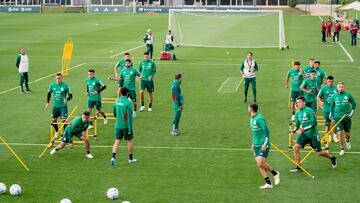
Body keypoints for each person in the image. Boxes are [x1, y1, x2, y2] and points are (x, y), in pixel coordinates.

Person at [290, 96, 337, 173]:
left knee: (319, 153)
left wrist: (303, 129)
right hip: (305, 135)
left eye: (299, 102)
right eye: (297, 102)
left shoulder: (309, 111)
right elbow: (297, 125)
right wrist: (294, 129)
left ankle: (332, 157)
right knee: (295, 148)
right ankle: (298, 167)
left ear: (304, 103)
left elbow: (314, 123)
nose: (298, 104)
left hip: (313, 135)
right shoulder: (298, 113)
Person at [248, 103, 280, 189]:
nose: (248, 109)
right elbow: (254, 133)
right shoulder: (251, 118)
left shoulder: (259, 119)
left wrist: (265, 144)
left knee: (260, 162)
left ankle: (275, 173)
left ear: (251, 109)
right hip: (256, 145)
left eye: (248, 107)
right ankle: (268, 183)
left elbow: (267, 131)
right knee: (259, 165)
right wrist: (252, 143)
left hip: (263, 144)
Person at [111, 87, 137, 165]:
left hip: (118, 125)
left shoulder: (116, 101)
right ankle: (130, 159)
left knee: (117, 141)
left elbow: (114, 113)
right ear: (127, 93)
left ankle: (113, 157)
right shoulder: (128, 103)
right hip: (126, 126)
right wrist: (129, 129)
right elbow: (129, 117)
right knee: (129, 141)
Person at [330, 82, 356, 156]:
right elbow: (332, 106)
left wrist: (350, 114)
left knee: (347, 133)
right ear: (337, 88)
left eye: (342, 87)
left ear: (343, 88)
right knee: (340, 133)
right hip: (338, 117)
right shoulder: (334, 96)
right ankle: (342, 148)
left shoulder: (348, 95)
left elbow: (354, 104)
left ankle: (347, 141)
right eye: (339, 87)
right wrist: (331, 114)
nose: (341, 88)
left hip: (346, 117)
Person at [317, 76, 338, 142]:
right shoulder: (323, 88)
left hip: (334, 108)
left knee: (334, 122)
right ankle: (328, 136)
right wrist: (320, 102)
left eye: (331, 81)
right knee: (327, 123)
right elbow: (318, 97)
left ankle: (335, 136)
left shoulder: (336, 88)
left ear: (333, 81)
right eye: (329, 81)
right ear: (327, 81)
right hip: (326, 108)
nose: (330, 83)